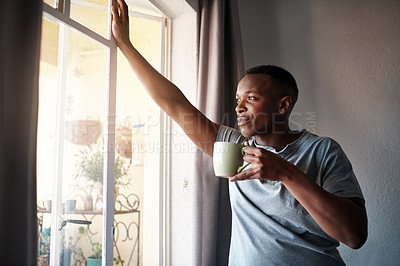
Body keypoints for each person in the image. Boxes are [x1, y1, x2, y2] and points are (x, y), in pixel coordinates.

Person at [111, 0, 367, 265]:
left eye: (252, 98)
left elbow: (354, 235)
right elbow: (174, 105)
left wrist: (285, 172)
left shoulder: (323, 151)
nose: (239, 107)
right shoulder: (234, 146)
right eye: (237, 99)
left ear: (283, 105)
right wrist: (126, 46)